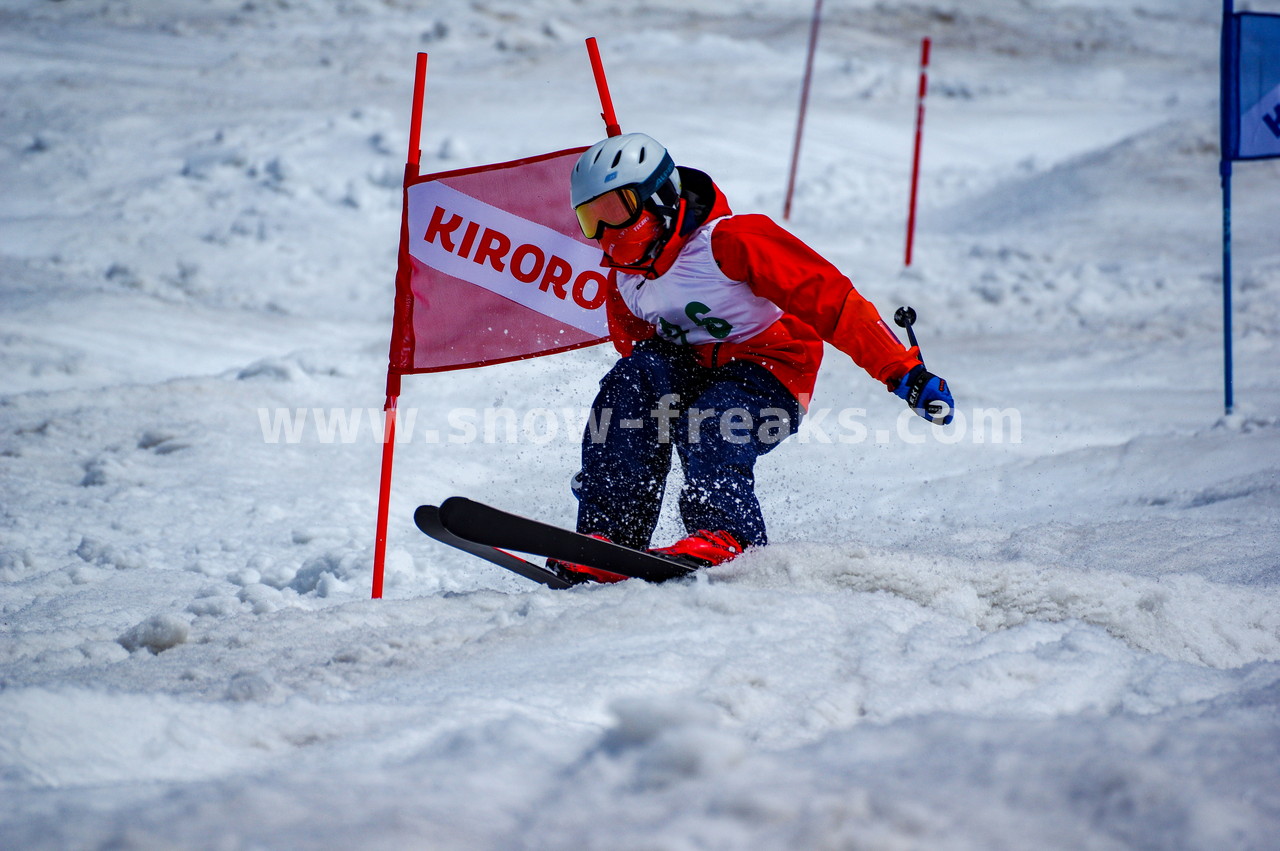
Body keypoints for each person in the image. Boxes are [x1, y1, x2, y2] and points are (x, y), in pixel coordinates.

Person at [554, 132, 954, 583]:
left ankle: (729, 536)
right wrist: (622, 451)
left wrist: (902, 370)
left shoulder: (730, 242)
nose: (605, 233)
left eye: (615, 210)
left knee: (712, 421)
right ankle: (610, 538)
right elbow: (639, 361)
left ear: (660, 199)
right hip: (697, 373)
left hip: (772, 371)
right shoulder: (625, 282)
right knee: (629, 386)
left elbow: (833, 302)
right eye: (591, 220)